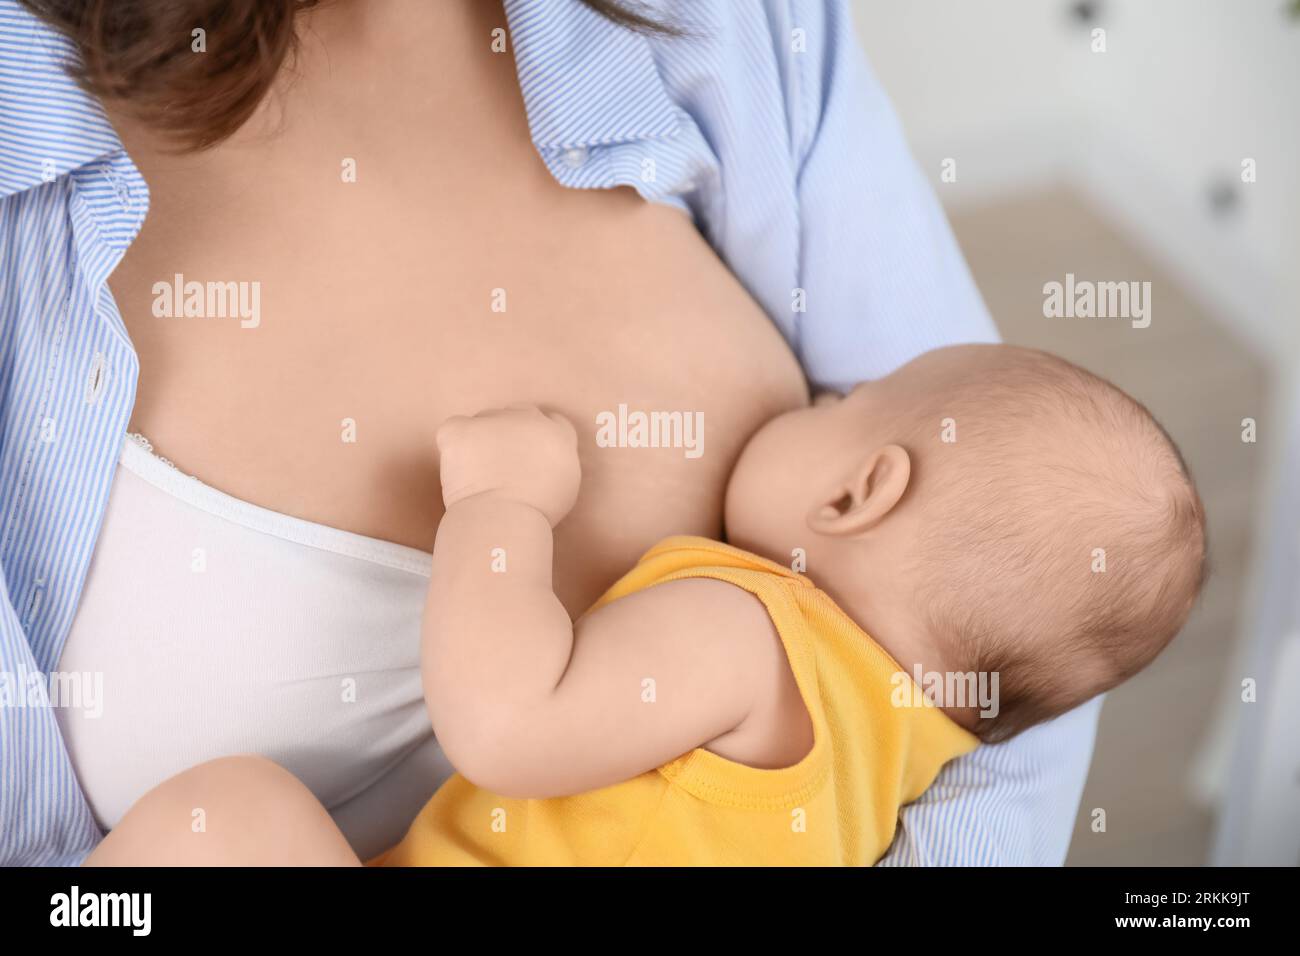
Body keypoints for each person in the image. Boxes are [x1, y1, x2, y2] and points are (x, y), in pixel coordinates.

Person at [0, 0, 1101, 866]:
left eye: (837, 407)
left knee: (224, 822)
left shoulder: (753, 638)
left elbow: (505, 721)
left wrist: (499, 512)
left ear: (861, 490)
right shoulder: (893, 723)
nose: (829, 394)